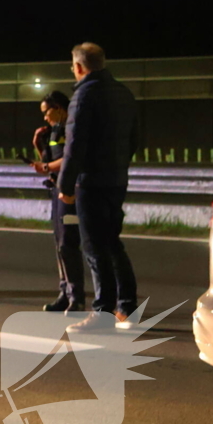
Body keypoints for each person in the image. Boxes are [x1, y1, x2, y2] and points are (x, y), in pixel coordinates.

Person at [58, 43, 139, 333]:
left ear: (79, 67)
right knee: (113, 242)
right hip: (117, 180)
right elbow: (135, 139)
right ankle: (127, 306)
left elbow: (74, 145)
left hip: (91, 182)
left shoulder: (83, 95)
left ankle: (102, 313)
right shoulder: (123, 93)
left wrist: (65, 185)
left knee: (93, 247)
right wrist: (117, 166)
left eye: (72, 66)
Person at [29, 90, 84, 314]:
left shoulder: (72, 127)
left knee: (68, 244)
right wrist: (38, 144)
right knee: (59, 245)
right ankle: (65, 293)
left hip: (70, 191)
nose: (45, 117)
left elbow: (70, 158)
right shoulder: (54, 131)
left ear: (59, 108)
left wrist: (48, 168)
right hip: (56, 190)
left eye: (47, 112)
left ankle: (77, 298)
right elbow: (48, 162)